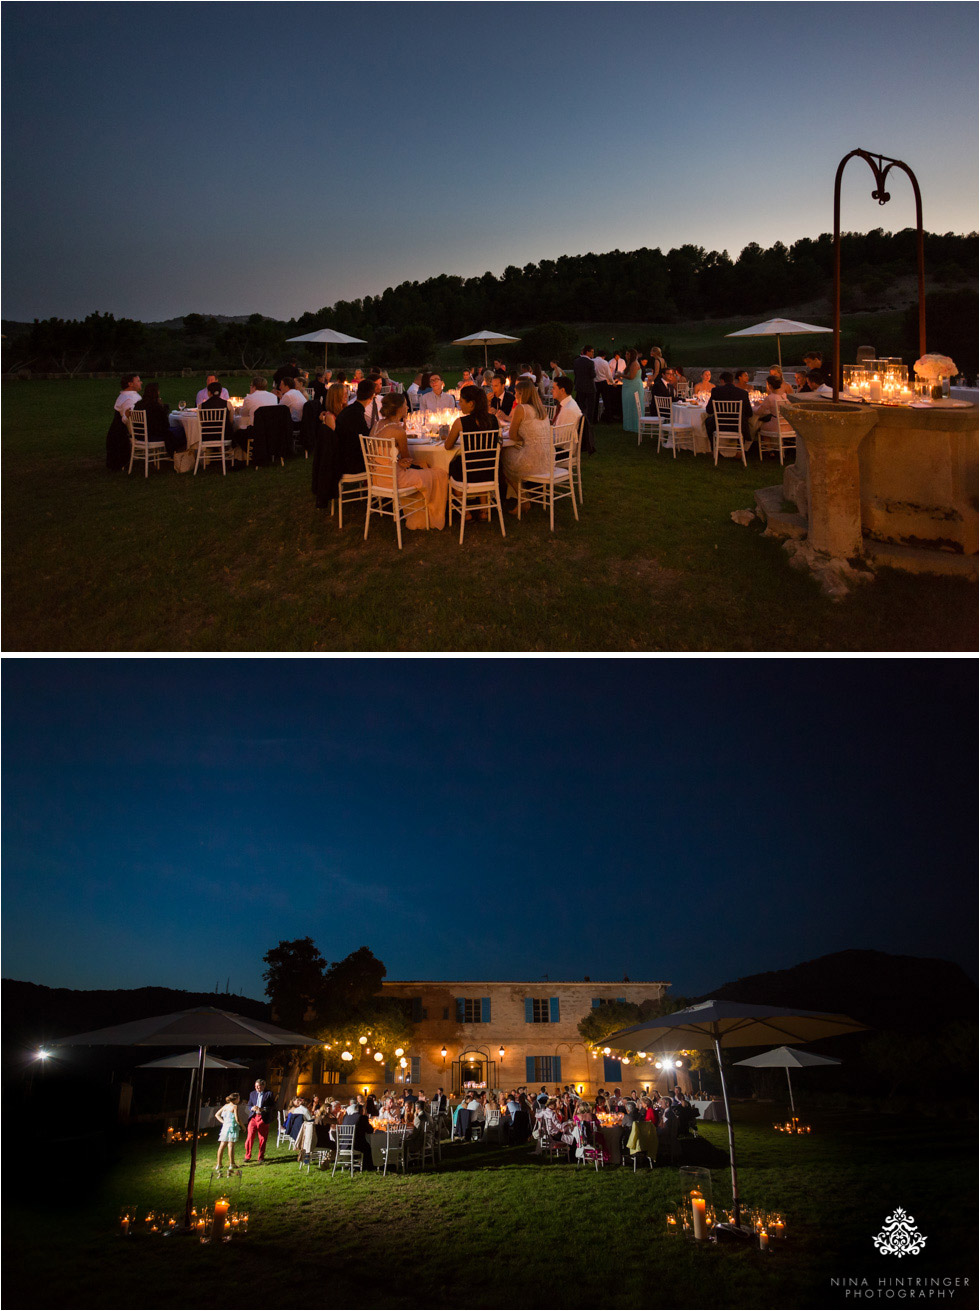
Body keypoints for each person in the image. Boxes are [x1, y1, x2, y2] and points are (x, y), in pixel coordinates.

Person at [371, 392, 448, 530]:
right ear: (399, 408)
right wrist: (409, 462)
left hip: (377, 478)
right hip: (395, 479)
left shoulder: (377, 425)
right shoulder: (398, 432)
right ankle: (431, 517)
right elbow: (407, 460)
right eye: (405, 405)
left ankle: (419, 512)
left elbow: (389, 456)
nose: (407, 408)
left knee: (423, 467)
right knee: (439, 473)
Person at [445, 384, 500, 520]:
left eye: (461, 401)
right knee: (480, 462)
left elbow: (447, 446)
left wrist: (444, 436)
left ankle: (466, 511)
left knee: (453, 465)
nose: (459, 404)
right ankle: (484, 509)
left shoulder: (460, 422)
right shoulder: (493, 419)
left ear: (471, 404)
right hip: (489, 471)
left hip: (468, 474)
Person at [501, 379, 554, 513]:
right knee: (510, 453)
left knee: (503, 456)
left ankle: (522, 498)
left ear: (522, 394)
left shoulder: (521, 408)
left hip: (531, 460)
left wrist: (523, 439)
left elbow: (512, 435)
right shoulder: (542, 409)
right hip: (548, 459)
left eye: (516, 393)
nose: (514, 396)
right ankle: (517, 496)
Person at [132, 381, 185, 458]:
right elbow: (165, 425)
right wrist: (163, 407)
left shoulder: (138, 405)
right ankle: (179, 454)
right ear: (155, 393)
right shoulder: (155, 406)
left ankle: (176, 452)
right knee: (182, 430)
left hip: (140, 435)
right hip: (153, 435)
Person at [106, 372, 143, 469]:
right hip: (129, 433)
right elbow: (126, 419)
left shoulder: (129, 396)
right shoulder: (128, 399)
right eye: (138, 381)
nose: (141, 383)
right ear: (130, 384)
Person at [244, 1079, 275, 1162]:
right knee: (250, 1137)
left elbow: (272, 1106)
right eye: (256, 1086)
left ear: (263, 1086)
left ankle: (261, 1157)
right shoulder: (252, 1093)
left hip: (263, 1117)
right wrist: (251, 1108)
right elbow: (249, 1104)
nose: (257, 1088)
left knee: (262, 1138)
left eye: (259, 1086)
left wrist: (263, 1109)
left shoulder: (269, 1094)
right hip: (253, 1117)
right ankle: (247, 1156)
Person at [753, 373, 790, 443]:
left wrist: (754, 406)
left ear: (769, 385)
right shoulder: (785, 396)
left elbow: (758, 412)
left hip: (777, 427)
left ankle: (769, 450)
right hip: (789, 426)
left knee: (760, 425)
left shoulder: (770, 398)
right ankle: (776, 447)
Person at [213, 1092, 243, 1175]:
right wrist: (243, 1127)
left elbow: (216, 1115)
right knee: (231, 1145)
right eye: (239, 1098)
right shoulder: (235, 1106)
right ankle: (231, 1164)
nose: (239, 1100)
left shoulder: (225, 1106)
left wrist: (224, 1122)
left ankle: (219, 1164)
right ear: (236, 1099)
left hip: (225, 1127)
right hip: (232, 1127)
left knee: (222, 1145)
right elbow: (237, 1119)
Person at [340, 1098, 374, 1169]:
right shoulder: (361, 1117)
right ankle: (367, 1166)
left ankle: (354, 1164)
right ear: (361, 1110)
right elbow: (370, 1130)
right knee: (368, 1146)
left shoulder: (345, 1117)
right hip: (355, 1145)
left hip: (344, 1144)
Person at [621, 349, 644, 433]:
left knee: (633, 405)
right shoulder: (630, 363)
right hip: (628, 386)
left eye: (627, 354)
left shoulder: (634, 363)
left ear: (631, 355)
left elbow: (631, 377)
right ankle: (629, 424)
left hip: (634, 387)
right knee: (628, 404)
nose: (625, 356)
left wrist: (621, 375)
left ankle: (634, 425)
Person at [572, 346, 597, 423]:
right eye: (592, 352)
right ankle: (589, 421)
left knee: (581, 405)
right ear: (587, 352)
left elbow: (575, 373)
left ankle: (580, 420)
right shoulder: (590, 362)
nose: (593, 353)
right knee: (590, 406)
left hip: (579, 386)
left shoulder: (576, 361)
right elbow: (592, 375)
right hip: (589, 387)